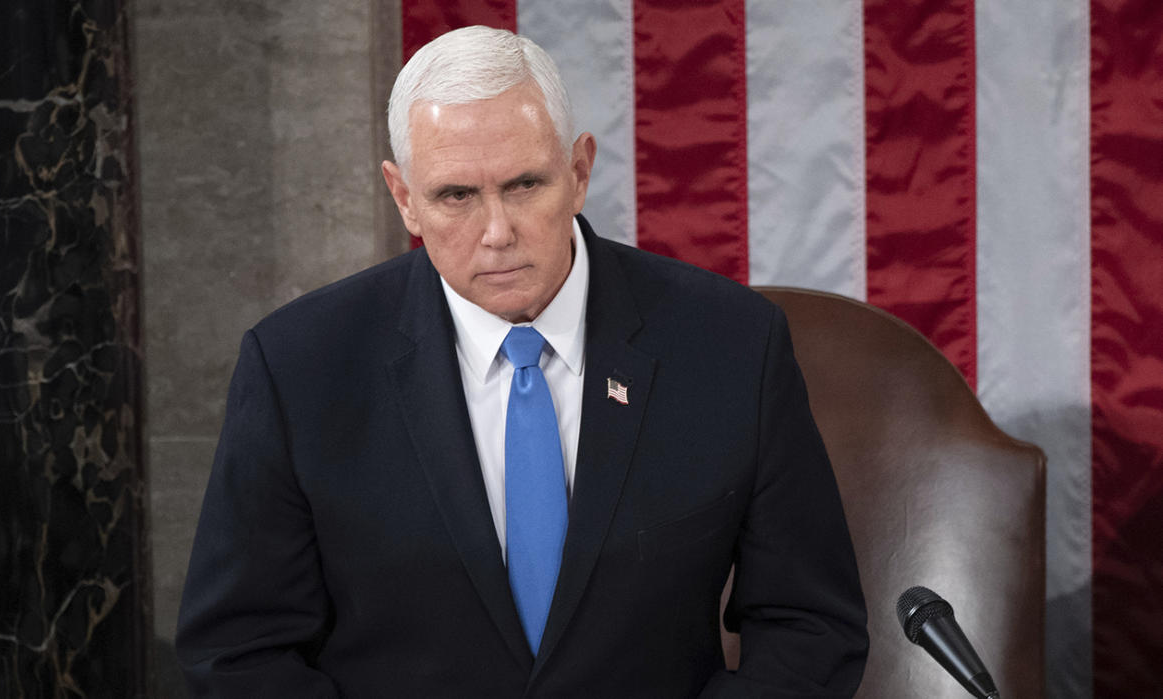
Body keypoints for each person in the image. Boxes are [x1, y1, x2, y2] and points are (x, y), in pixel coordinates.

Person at [176, 25, 868, 698]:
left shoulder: (731, 344)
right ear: (404, 197)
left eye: (524, 185)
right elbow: (238, 650)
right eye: (457, 196)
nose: (497, 232)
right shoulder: (298, 367)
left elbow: (810, 626)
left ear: (579, 171)